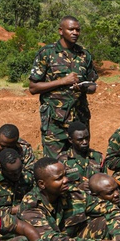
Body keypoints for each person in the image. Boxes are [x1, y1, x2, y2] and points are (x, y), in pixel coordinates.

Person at [28, 16, 98, 158]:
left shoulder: (84, 55)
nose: (75, 33)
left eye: (77, 30)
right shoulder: (47, 53)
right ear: (61, 31)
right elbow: (33, 88)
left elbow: (93, 86)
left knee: (80, 163)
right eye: (71, 29)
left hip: (79, 120)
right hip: (55, 123)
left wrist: (84, 88)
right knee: (53, 166)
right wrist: (62, 81)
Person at [0, 147, 34, 214]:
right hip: (1, 220)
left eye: (19, 170)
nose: (17, 175)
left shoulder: (27, 178)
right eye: (12, 173)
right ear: (2, 169)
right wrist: (12, 210)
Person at [56, 121, 103, 187]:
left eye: (87, 138)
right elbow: (57, 187)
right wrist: (78, 187)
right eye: (80, 140)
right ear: (70, 140)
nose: (85, 142)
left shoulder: (98, 157)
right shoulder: (62, 160)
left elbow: (105, 181)